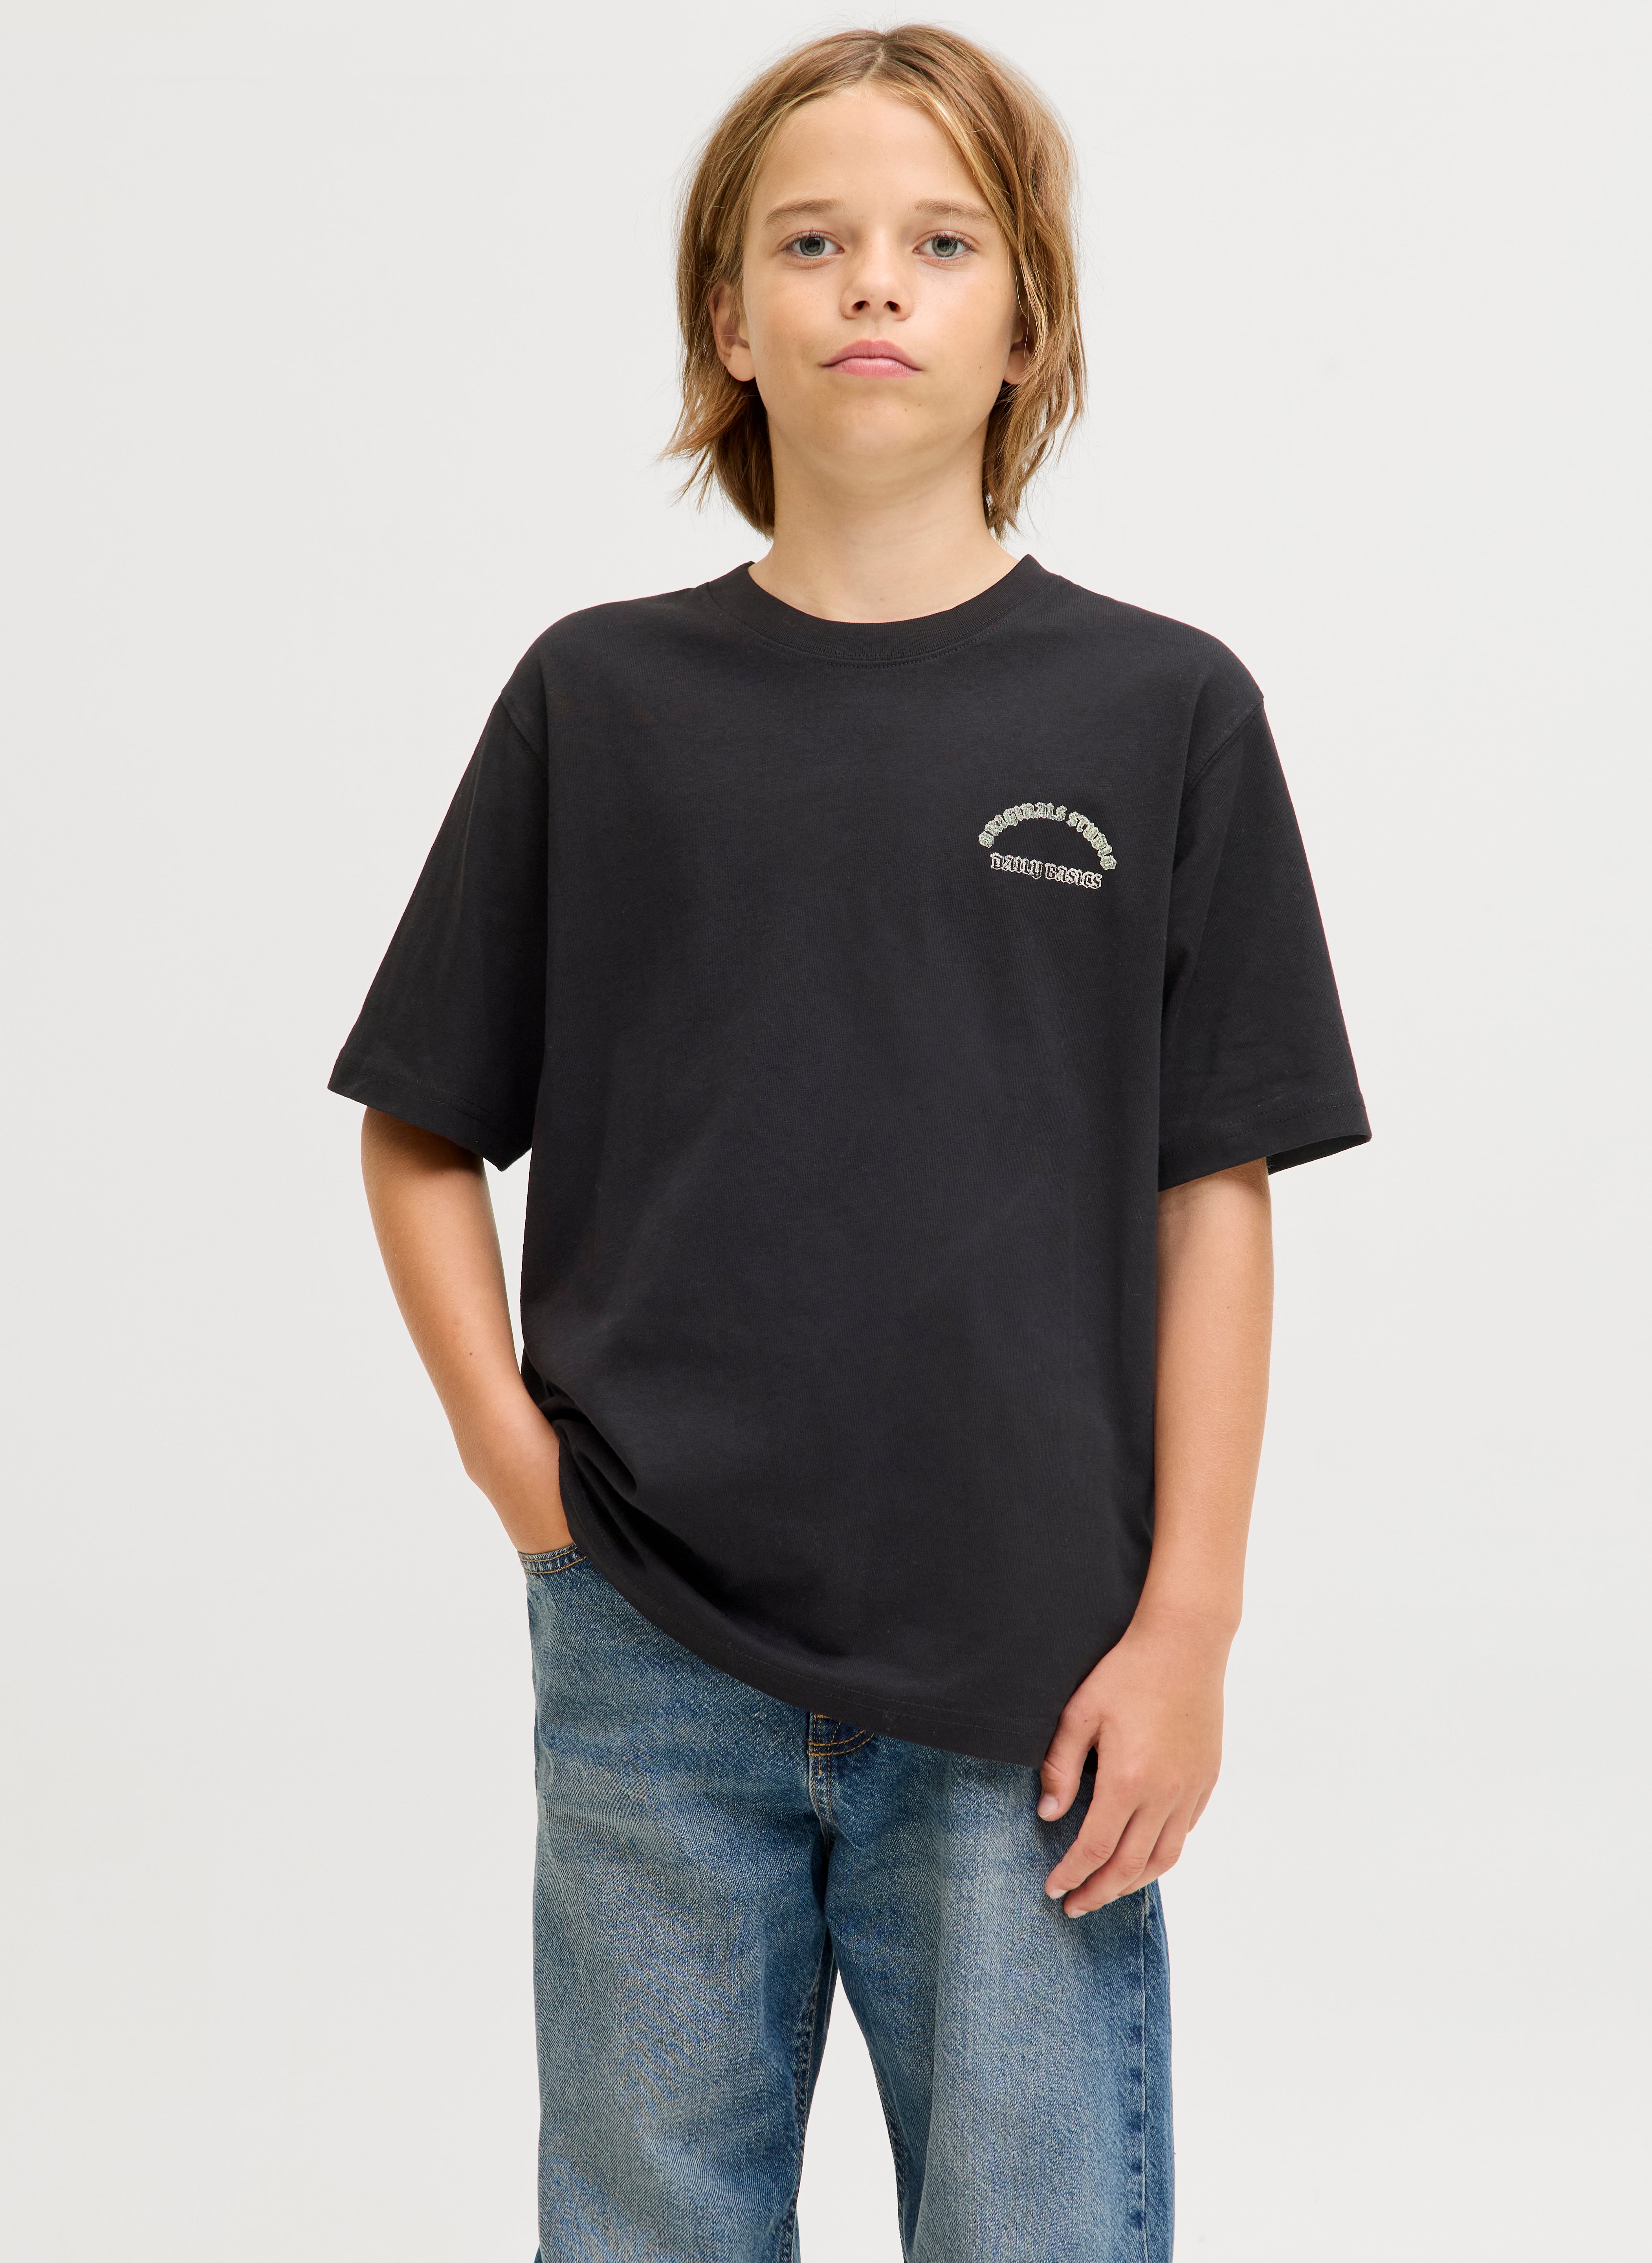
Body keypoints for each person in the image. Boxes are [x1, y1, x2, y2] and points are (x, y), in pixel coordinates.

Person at [328, 24, 1369, 2262]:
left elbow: (1214, 1196)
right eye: (809, 243)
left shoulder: (1163, 712)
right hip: (647, 1639)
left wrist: (1188, 1618)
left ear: (1027, 324)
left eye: (939, 242)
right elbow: (419, 1129)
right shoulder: (598, 701)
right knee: (644, 2227)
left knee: (1038, 2228)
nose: (871, 282)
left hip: (1035, 1666)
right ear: (728, 319)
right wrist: (525, 1478)